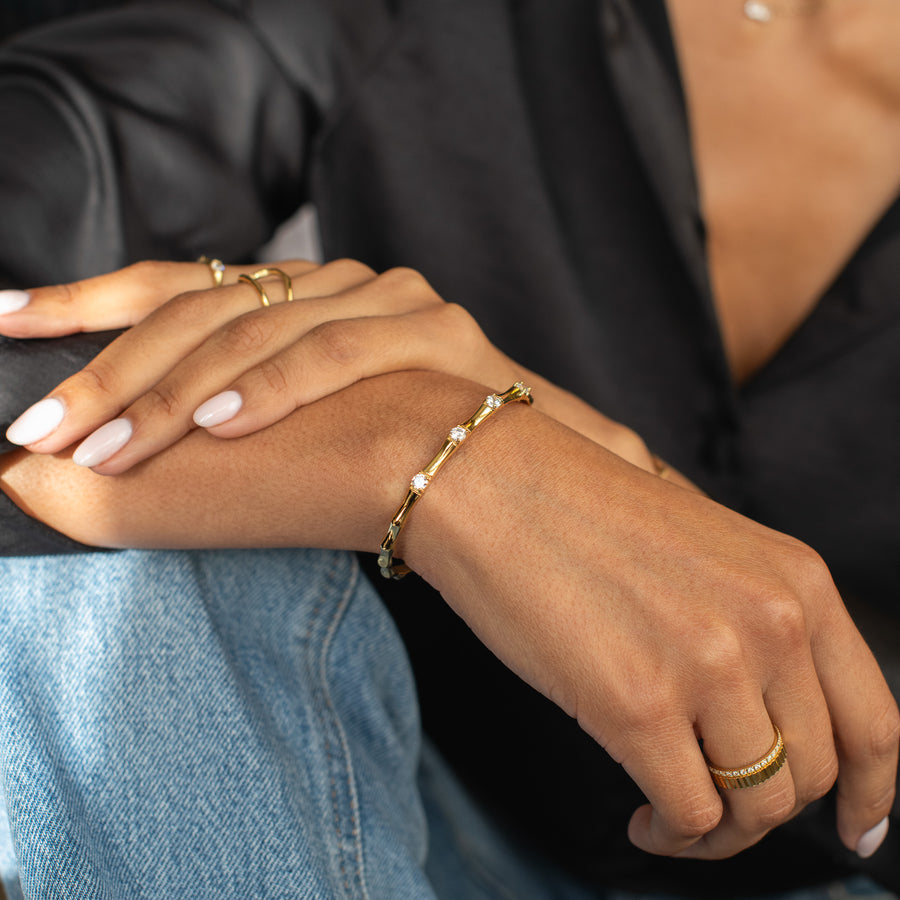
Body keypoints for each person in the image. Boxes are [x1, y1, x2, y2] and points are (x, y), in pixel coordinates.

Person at [0, 0, 898, 897]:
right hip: (375, 779)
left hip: (816, 877)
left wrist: (604, 462)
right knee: (128, 535)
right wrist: (423, 441)